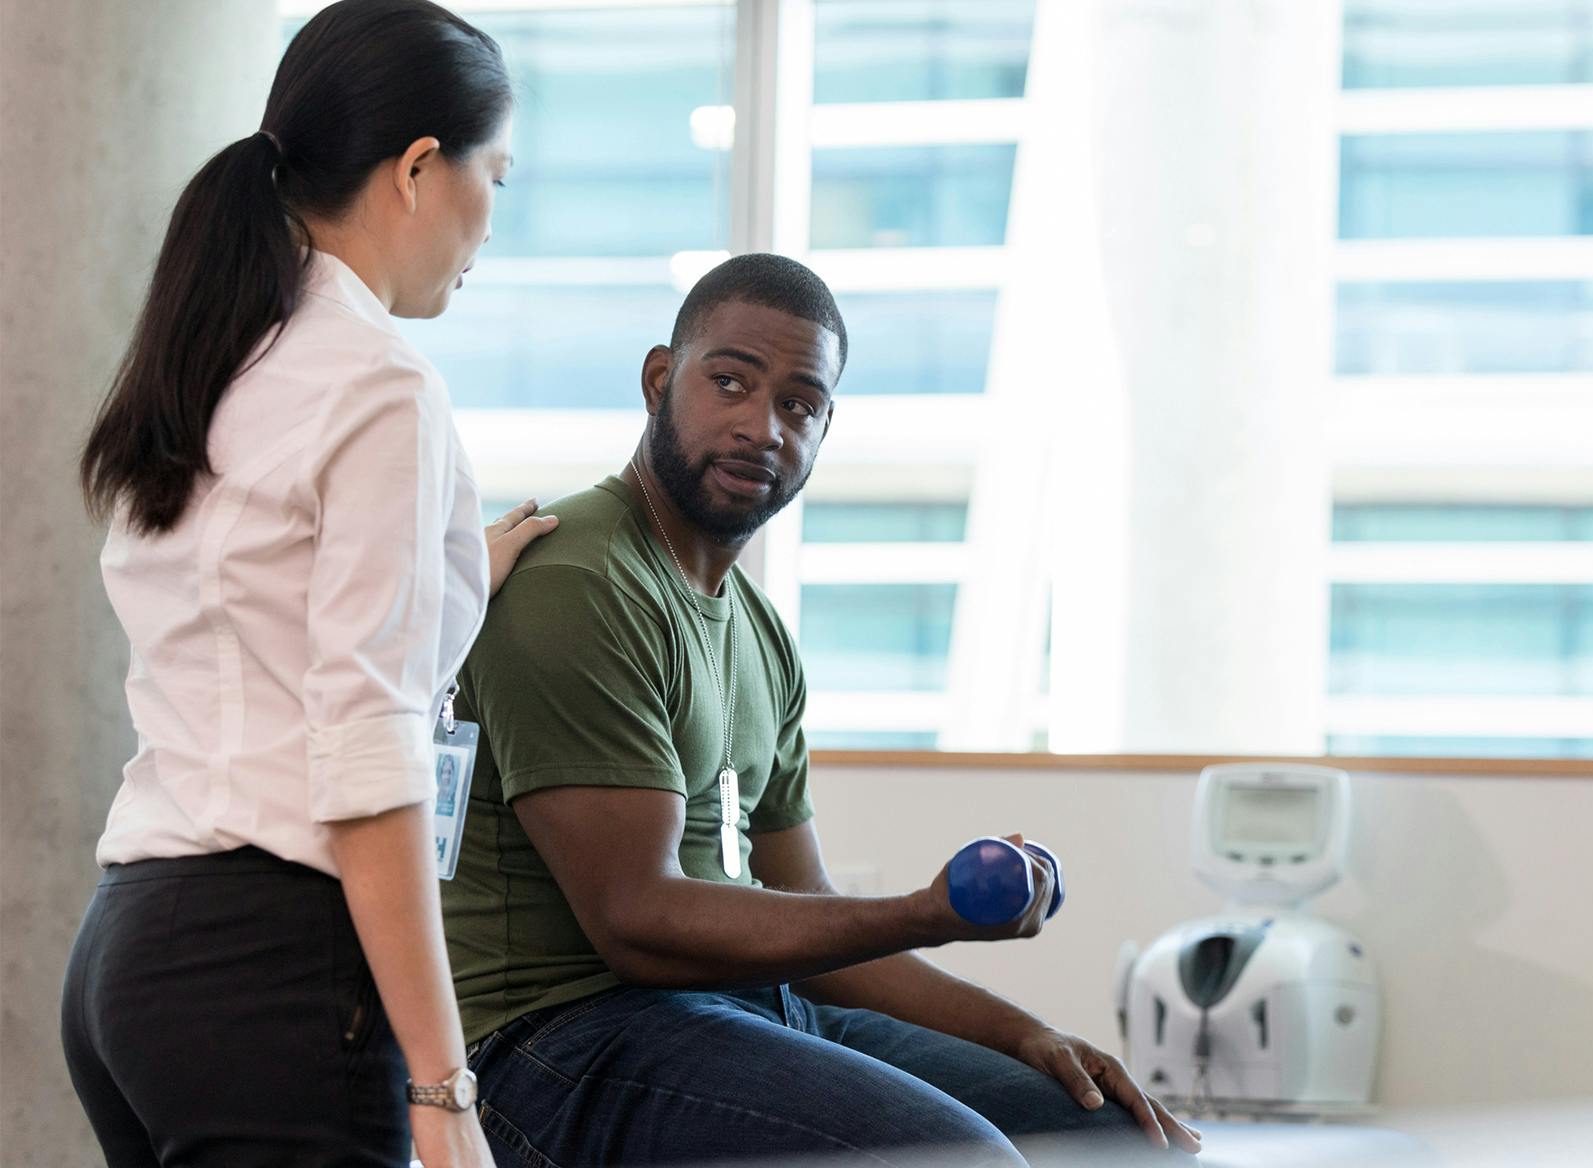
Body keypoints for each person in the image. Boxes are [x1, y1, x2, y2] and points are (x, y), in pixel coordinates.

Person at [442, 253, 1204, 1166]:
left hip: (745, 1007)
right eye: (729, 383)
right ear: (659, 380)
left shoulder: (758, 633)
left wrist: (1022, 1032)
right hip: (556, 1045)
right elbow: (636, 921)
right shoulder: (578, 583)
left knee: (1116, 1143)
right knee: (966, 1162)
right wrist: (929, 912)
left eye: (799, 405)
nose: (761, 427)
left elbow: (807, 915)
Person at [63, 3, 551, 1164]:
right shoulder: (382, 384)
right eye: (496, 175)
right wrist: (446, 1091)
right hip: (272, 964)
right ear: (421, 169)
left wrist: (454, 575)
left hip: (131, 954)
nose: (492, 220)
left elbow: (255, 610)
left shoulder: (219, 353)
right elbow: (364, 752)